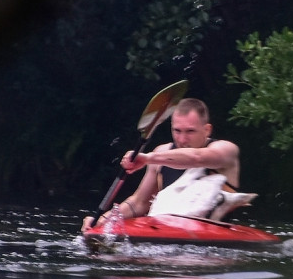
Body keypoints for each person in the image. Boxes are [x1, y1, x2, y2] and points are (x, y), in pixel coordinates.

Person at [82, 98, 241, 231]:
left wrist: (149, 158)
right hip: (167, 237)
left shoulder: (226, 151)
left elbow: (197, 158)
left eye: (190, 131)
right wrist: (101, 221)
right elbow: (138, 203)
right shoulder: (161, 153)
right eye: (177, 131)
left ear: (207, 130)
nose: (182, 139)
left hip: (212, 242)